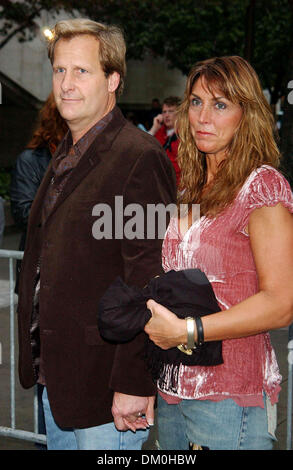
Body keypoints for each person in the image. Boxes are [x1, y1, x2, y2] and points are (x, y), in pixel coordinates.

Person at [16, 18, 176, 451]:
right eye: (60, 71)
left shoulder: (138, 158)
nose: (66, 84)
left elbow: (149, 281)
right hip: (60, 379)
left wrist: (134, 380)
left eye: (81, 71)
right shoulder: (65, 155)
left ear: (113, 80)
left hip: (107, 394)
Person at [144, 56, 293, 450]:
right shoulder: (192, 187)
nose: (203, 117)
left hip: (229, 395)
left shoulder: (262, 186)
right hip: (173, 390)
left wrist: (190, 330)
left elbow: (282, 304)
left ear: (247, 114)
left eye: (220, 104)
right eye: (195, 102)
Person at [10, 92, 67, 446]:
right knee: (44, 370)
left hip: (81, 284)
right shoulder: (33, 159)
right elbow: (24, 210)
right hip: (40, 284)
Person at [10, 92, 67, 292]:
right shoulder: (31, 160)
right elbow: (23, 213)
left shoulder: (90, 157)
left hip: (78, 271)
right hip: (41, 274)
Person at [149, 96, 181, 185]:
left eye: (171, 111)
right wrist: (154, 129)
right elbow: (140, 150)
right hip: (158, 184)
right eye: (164, 112)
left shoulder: (185, 135)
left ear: (179, 113)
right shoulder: (158, 131)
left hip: (179, 187)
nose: (166, 115)